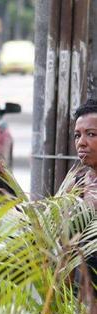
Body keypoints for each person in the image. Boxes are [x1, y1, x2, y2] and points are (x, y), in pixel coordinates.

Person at [70, 98, 97, 294]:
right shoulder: (76, 185)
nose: (81, 142)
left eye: (91, 134)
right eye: (77, 135)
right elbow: (66, 248)